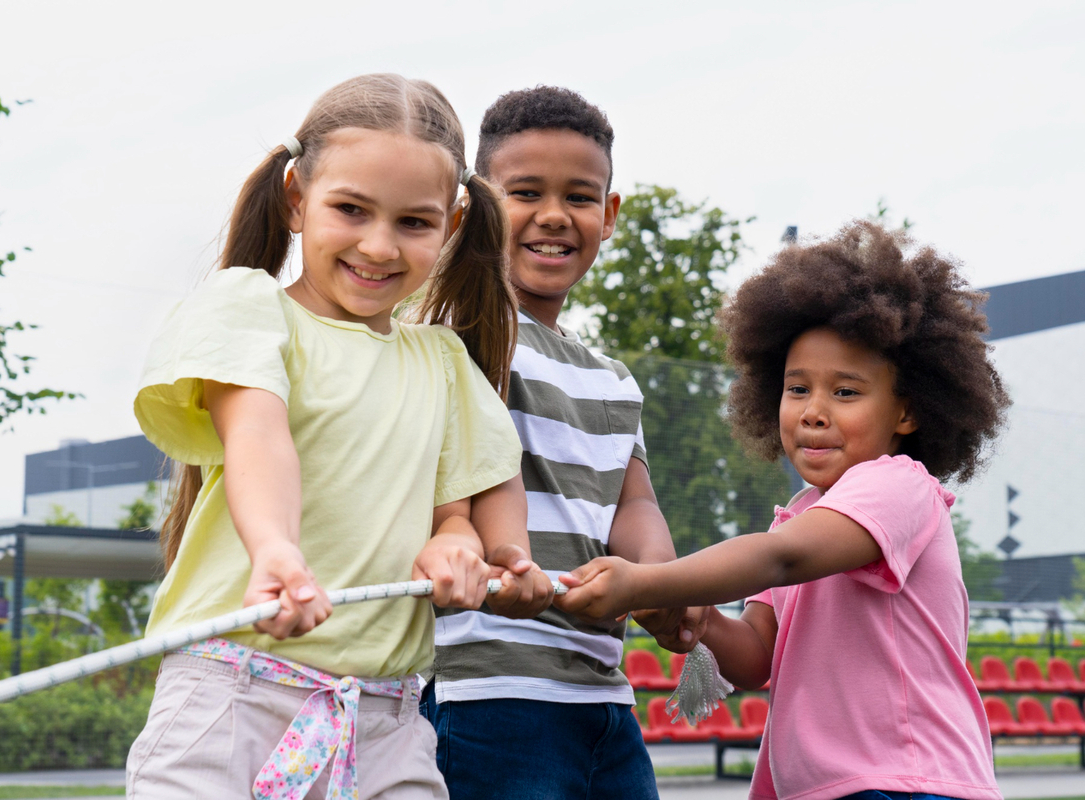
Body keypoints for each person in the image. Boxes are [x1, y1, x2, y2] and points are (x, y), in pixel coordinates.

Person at [126, 74, 537, 800]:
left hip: (386, 722)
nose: (379, 246)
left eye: (414, 222)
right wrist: (277, 551)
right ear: (295, 198)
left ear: (452, 221)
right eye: (350, 209)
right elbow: (259, 434)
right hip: (231, 698)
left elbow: (477, 496)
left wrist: (473, 548)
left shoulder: (442, 363)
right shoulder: (251, 309)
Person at [557, 221, 1011, 800]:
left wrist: (645, 579)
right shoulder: (800, 512)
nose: (813, 412)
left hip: (908, 782)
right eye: (797, 389)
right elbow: (755, 658)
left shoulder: (899, 486)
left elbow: (781, 559)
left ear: (909, 413)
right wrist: (695, 618)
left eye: (845, 392)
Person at [421, 86, 679, 800]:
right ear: (472, 208)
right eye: (525, 193)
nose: (555, 216)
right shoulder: (452, 330)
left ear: (610, 214)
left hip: (601, 697)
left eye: (581, 197)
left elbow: (634, 506)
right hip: (486, 691)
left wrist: (660, 582)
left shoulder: (613, 378)